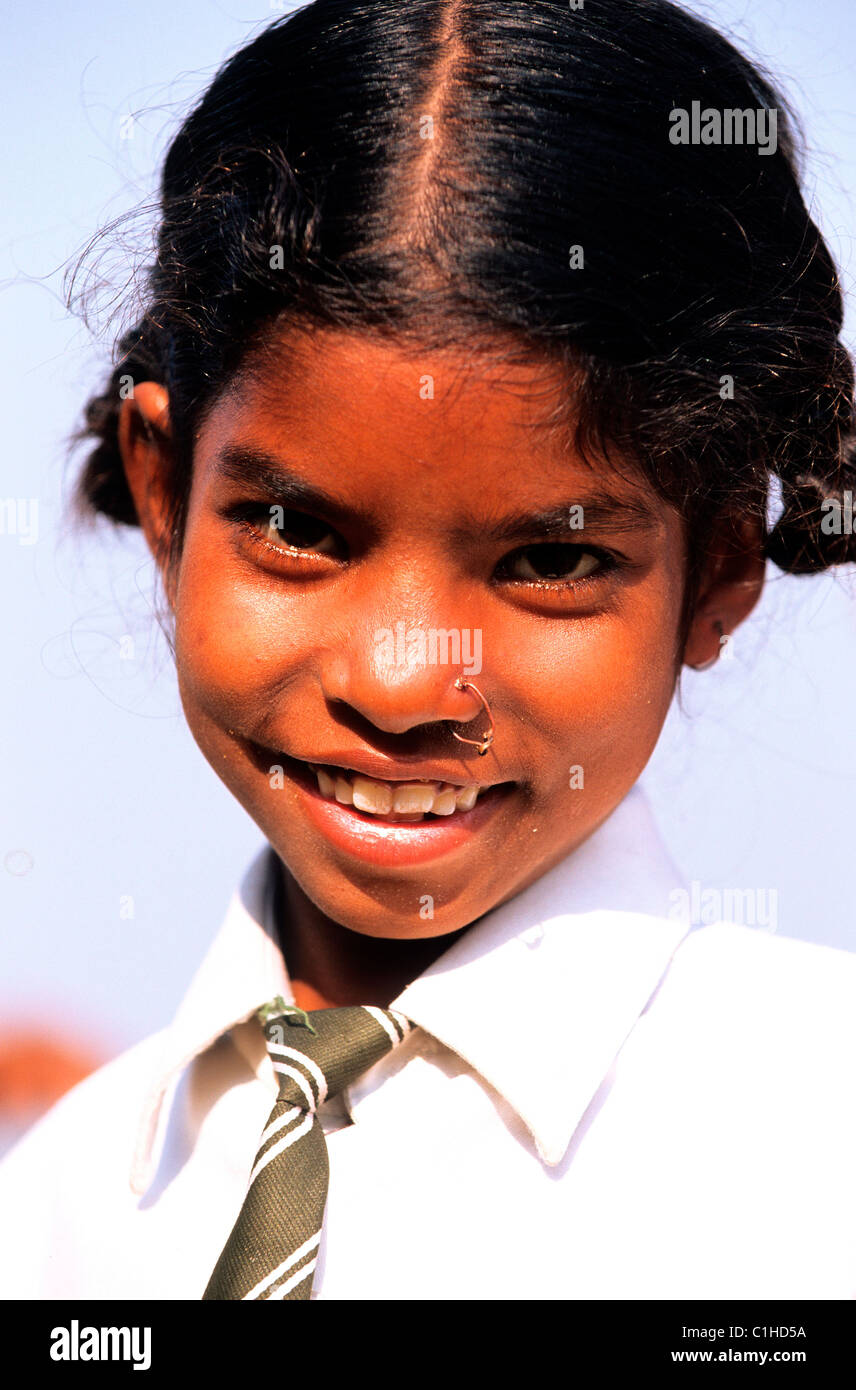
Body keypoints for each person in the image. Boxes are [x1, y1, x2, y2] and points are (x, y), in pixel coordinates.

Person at [2, 0, 855, 1300]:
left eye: (552, 559)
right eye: (297, 531)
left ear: (720, 566)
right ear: (165, 495)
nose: (401, 686)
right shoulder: (54, 1212)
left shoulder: (817, 1150)